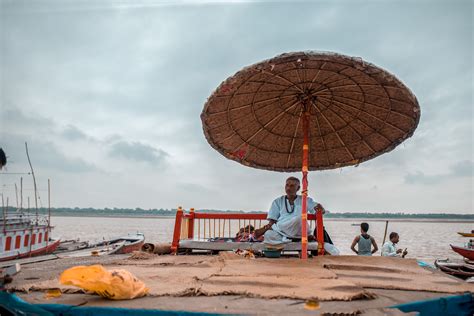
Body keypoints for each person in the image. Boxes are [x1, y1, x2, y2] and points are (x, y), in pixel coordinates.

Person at [254, 177, 325, 245]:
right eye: (287, 185)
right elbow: (272, 221)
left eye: (292, 186)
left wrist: (321, 209)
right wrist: (273, 226)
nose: (288, 188)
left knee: (299, 219)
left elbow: (319, 210)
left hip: (299, 231)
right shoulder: (277, 201)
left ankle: (280, 231)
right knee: (268, 234)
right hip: (282, 233)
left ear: (298, 188)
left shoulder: (305, 200)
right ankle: (292, 239)